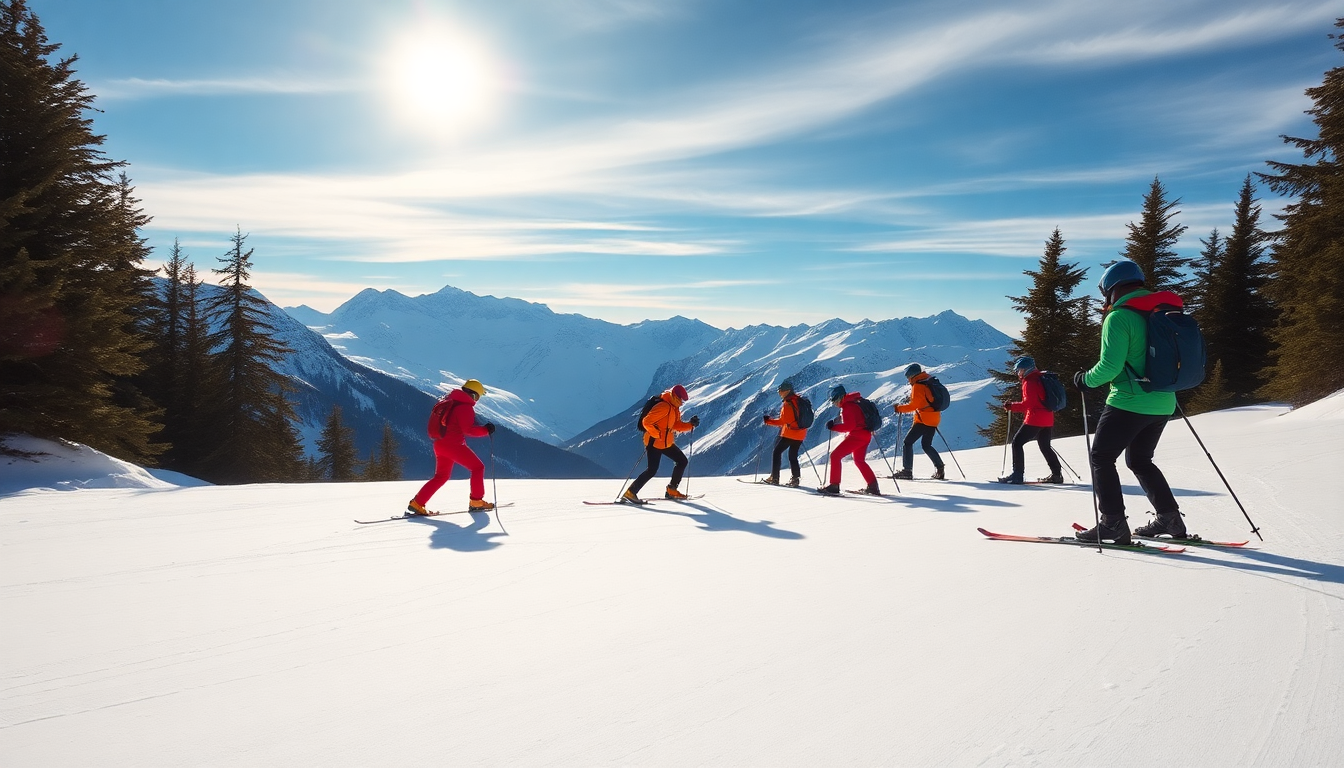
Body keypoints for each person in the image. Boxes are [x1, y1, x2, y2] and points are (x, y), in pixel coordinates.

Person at [1073, 260, 1184, 544]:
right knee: (1140, 460)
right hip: (1164, 401)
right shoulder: (1161, 313)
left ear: (1112, 289)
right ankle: (1169, 518)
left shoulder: (1119, 317)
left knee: (1101, 457)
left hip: (1130, 401)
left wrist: (1085, 380)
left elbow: (1109, 367)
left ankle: (1112, 523)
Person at [409, 379, 496, 514]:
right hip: (453, 445)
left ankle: (417, 503)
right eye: (478, 396)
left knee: (441, 476)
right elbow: (468, 430)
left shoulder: (450, 401)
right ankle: (476, 501)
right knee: (478, 468)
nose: (477, 400)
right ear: (473, 395)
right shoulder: (464, 407)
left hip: (439, 444)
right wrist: (486, 430)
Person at [625, 384, 700, 503]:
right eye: (681, 400)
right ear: (675, 397)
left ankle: (672, 489)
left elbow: (675, 425)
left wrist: (690, 425)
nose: (682, 403)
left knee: (682, 461)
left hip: (665, 442)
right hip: (654, 442)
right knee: (652, 470)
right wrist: (657, 435)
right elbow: (646, 422)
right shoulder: (664, 406)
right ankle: (631, 492)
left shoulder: (674, 408)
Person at [999, 356, 1063, 484]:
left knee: (1017, 443)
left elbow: (1028, 404)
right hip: (1048, 418)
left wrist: (1011, 406)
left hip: (1035, 418)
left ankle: (1018, 474)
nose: (1018, 373)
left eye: (1019, 370)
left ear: (1026, 369)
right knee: (1045, 446)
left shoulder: (1030, 382)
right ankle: (1057, 475)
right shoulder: (1041, 378)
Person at [819, 385, 879, 495]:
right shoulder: (855, 402)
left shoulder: (847, 407)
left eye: (834, 399)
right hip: (865, 435)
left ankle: (834, 485)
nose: (833, 403)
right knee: (859, 460)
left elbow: (849, 427)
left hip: (857, 436)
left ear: (840, 397)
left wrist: (833, 427)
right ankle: (873, 487)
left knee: (835, 456)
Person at [892, 363, 946, 480]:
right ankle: (940, 469)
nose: (908, 380)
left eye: (908, 377)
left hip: (924, 419)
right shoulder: (927, 380)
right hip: (934, 418)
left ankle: (907, 471)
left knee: (907, 443)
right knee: (926, 445)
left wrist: (899, 408)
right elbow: (925, 400)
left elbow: (914, 406)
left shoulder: (918, 385)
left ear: (912, 376)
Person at [762, 380, 807, 486]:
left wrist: (769, 421)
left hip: (790, 433)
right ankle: (795, 479)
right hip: (801, 433)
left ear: (787, 391)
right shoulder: (799, 400)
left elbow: (783, 422)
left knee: (777, 452)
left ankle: (775, 478)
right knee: (793, 456)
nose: (779, 393)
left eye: (781, 391)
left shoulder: (787, 404)